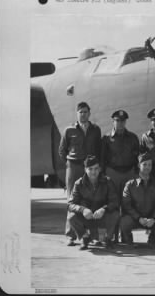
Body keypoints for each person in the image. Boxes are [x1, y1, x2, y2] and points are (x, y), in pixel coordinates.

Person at [59, 101, 101, 246]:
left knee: (91, 198)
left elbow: (98, 149)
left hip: (89, 169)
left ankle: (93, 235)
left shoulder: (96, 130)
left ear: (89, 113)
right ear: (77, 114)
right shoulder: (69, 130)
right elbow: (62, 150)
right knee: (71, 199)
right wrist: (71, 162)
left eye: (85, 111)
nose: (83, 114)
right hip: (74, 167)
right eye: (80, 112)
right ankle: (70, 235)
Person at [100, 109, 139, 243]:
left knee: (127, 204)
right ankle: (112, 235)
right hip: (113, 173)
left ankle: (126, 234)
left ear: (125, 122)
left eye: (122, 121)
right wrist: (104, 176)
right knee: (113, 204)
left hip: (128, 173)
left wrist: (135, 174)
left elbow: (136, 158)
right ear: (113, 122)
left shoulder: (133, 138)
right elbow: (102, 158)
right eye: (117, 121)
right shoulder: (106, 139)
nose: (120, 123)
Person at [67, 155, 120, 250]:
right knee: (71, 217)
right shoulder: (78, 184)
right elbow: (71, 204)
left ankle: (107, 239)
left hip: (101, 217)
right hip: (87, 217)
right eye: (90, 169)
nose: (93, 172)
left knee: (115, 214)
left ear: (100, 169)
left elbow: (115, 201)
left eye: (96, 168)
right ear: (85, 169)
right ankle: (85, 237)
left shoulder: (107, 181)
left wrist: (104, 209)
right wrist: (83, 210)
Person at [120, 152, 155, 248]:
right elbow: (127, 205)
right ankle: (129, 238)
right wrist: (138, 218)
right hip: (135, 219)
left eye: (150, 165)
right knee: (124, 222)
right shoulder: (130, 184)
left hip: (152, 220)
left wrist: (154, 218)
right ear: (139, 165)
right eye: (144, 164)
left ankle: (153, 238)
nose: (147, 167)